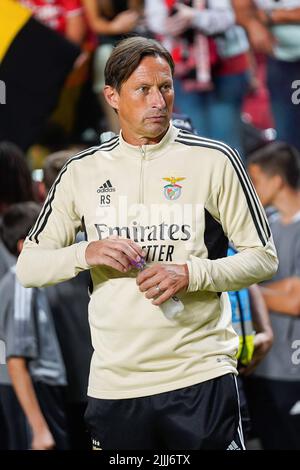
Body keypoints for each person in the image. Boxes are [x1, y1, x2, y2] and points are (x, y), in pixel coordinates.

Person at [16, 36, 278, 450]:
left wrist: (191, 273)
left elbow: (263, 258)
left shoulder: (215, 159)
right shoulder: (80, 171)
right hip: (115, 382)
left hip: (200, 373)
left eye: (166, 87)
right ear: (112, 96)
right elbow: (29, 267)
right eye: (143, 89)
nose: (159, 100)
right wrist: (85, 252)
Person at [0, 202, 70, 450]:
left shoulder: (30, 284)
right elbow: (15, 359)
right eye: (44, 236)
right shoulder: (21, 282)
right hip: (35, 394)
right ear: (23, 246)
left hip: (43, 391)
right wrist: (39, 429)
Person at [246, 141, 300, 449]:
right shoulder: (264, 227)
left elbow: (296, 301)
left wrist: (250, 289)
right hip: (261, 366)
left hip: (294, 371)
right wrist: (282, 289)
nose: (250, 189)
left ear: (277, 180)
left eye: (255, 180)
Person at [145, 0, 251, 155]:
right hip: (183, 72)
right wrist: (172, 23)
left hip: (224, 69)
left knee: (226, 144)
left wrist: (195, 17)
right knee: (197, 142)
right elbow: (154, 20)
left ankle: (231, 178)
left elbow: (229, 17)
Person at [232, 0, 300, 151]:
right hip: (282, 60)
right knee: (288, 139)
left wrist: (271, 15)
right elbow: (239, 9)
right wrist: (252, 23)